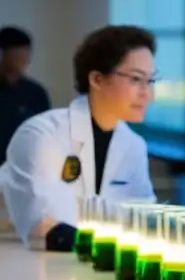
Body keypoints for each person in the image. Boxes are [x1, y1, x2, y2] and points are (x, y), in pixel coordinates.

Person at [0, 25, 157, 250]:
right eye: (135, 79)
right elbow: (43, 227)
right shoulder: (42, 135)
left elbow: (144, 218)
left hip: (83, 265)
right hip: (17, 259)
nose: (147, 94)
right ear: (97, 79)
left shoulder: (134, 146)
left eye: (150, 81)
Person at [0, 26, 50, 165]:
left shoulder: (36, 93)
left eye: (27, 54)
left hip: (24, 170)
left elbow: (45, 135)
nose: (24, 59)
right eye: (18, 54)